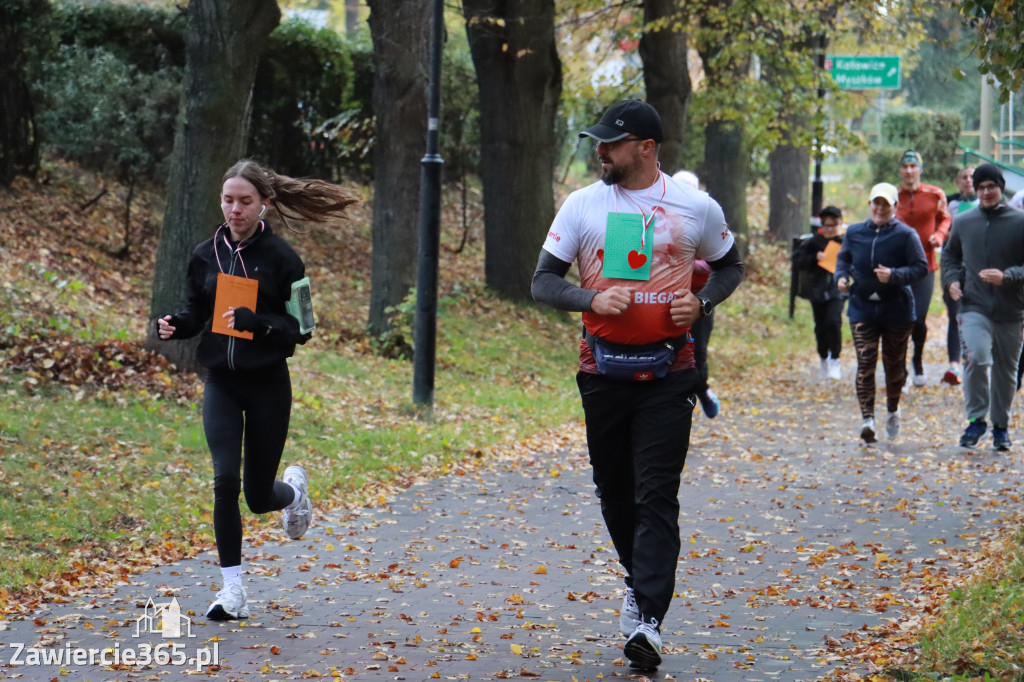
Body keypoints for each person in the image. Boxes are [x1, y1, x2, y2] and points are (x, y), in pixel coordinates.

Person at [531, 100, 744, 670]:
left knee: (656, 493)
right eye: (598, 143)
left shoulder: (695, 207)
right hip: (602, 369)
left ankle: (648, 620)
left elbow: (731, 267)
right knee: (615, 490)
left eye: (611, 143)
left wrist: (700, 302)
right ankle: (637, 577)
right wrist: (591, 297)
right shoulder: (582, 205)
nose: (600, 150)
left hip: (670, 373)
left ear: (646, 148)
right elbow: (543, 282)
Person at [156, 159, 357, 620]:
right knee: (225, 481)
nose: (235, 210)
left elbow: (303, 328)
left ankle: (293, 495)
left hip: (268, 385)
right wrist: (177, 325)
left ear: (263, 203)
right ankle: (233, 590)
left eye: (245, 201)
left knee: (257, 496)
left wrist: (261, 325)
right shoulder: (206, 253)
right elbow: (195, 310)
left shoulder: (283, 259)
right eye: (228, 200)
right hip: (222, 384)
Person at [835, 182, 928, 443]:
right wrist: (841, 277)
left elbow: (921, 268)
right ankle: (867, 420)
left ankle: (892, 410)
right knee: (865, 363)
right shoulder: (854, 232)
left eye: (886, 203)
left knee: (894, 366)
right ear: (869, 204)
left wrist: (894, 276)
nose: (880, 208)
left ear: (895, 207)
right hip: (862, 308)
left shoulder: (906, 235)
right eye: (876, 202)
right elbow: (843, 260)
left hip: (896, 310)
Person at [940, 163, 1024, 450]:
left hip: (1011, 309)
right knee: (977, 357)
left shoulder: (1020, 221)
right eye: (981, 187)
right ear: (975, 191)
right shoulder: (964, 222)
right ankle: (977, 420)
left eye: (992, 186)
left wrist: (1008, 277)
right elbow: (949, 256)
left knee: (1006, 370)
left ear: (1001, 189)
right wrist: (951, 280)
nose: (987, 192)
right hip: (972, 305)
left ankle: (1001, 427)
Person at [895, 149, 952, 387]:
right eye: (905, 167)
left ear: (920, 169)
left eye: (913, 166)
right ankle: (900, 369)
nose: (909, 171)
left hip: (925, 264)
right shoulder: (892, 195)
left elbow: (945, 218)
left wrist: (939, 236)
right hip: (897, 264)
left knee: (918, 318)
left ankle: (917, 359)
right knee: (899, 319)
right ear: (900, 170)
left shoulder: (934, 193)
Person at [672, 169, 719, 417]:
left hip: (700, 298)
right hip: (667, 298)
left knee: (697, 353)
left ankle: (701, 392)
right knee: (672, 353)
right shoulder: (661, 219)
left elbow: (717, 262)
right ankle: (681, 407)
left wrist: (688, 264)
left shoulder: (708, 221)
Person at [792, 205, 845, 380]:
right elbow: (797, 260)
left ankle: (835, 358)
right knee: (821, 326)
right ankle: (823, 356)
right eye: (826, 226)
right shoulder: (813, 242)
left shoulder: (845, 242)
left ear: (839, 225)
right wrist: (814, 258)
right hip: (817, 291)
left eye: (833, 225)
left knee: (834, 322)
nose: (830, 229)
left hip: (837, 290)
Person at [941, 166, 978, 385]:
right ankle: (953, 365)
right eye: (964, 177)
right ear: (957, 182)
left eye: (972, 177)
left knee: (975, 315)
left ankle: (972, 360)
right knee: (955, 315)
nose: (968, 180)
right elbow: (940, 228)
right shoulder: (950, 205)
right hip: (953, 266)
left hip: (977, 269)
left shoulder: (986, 204)